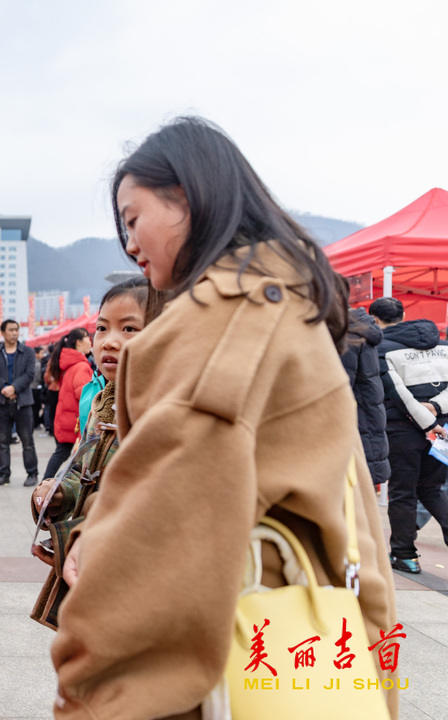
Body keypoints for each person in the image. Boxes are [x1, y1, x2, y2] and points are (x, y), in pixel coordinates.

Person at [52, 117, 397, 719]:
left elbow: (167, 520)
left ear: (185, 198)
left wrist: (86, 683)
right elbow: (358, 513)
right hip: (307, 633)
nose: (129, 245)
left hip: (215, 642)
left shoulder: (219, 320)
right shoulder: (284, 299)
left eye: (133, 221)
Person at [29, 278, 149, 628]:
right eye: (101, 328)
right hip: (93, 573)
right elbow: (84, 474)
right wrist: (55, 494)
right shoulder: (106, 403)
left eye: (129, 328)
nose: (109, 341)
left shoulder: (163, 412)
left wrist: (78, 537)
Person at [368, 296, 448, 574]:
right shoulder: (443, 345)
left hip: (404, 430)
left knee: (403, 493)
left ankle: (405, 555)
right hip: (442, 430)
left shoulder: (382, 349)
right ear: (403, 314)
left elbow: (399, 395)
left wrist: (426, 422)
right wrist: (437, 410)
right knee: (432, 488)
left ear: (375, 320)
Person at [340, 306, 390, 490]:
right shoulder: (356, 331)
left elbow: (341, 391)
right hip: (366, 424)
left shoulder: (345, 335)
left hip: (354, 431)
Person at [0, 319, 39, 486]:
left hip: (22, 402)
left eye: (16, 330)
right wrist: (4, 388)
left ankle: (32, 473)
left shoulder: (28, 352)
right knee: (2, 441)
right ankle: (4, 474)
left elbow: (29, 374)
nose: (14, 333)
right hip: (2, 403)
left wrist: (14, 388)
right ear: (2, 332)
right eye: (10, 330)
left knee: (27, 441)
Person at [41, 327, 94, 480]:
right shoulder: (81, 367)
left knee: (62, 453)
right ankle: (46, 484)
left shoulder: (72, 365)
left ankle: (48, 482)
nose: (90, 341)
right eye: (87, 338)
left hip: (66, 418)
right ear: (78, 342)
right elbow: (85, 400)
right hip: (74, 422)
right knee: (63, 453)